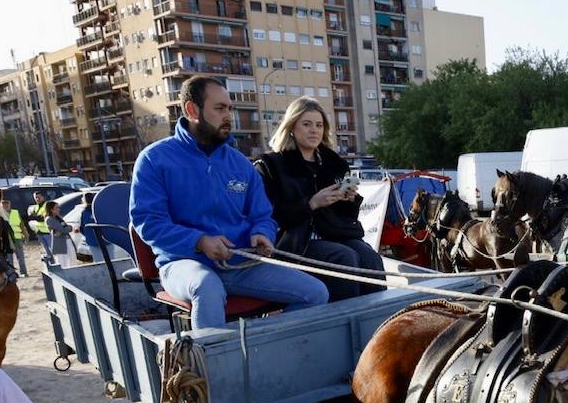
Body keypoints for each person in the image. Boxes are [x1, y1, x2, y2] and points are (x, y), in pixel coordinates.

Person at [129, 76, 327, 329]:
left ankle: (262, 354)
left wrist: (262, 234)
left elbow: (262, 216)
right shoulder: (154, 160)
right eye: (220, 108)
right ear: (192, 110)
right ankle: (212, 367)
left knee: (315, 293)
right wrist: (199, 241)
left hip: (239, 263)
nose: (228, 116)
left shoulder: (240, 164)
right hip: (181, 264)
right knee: (206, 286)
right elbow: (148, 222)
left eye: (230, 108)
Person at [254, 97, 385, 302]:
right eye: (306, 124)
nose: (314, 130)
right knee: (344, 257)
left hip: (334, 233)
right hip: (295, 241)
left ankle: (377, 318)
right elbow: (271, 214)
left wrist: (348, 199)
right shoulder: (271, 165)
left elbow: (345, 217)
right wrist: (311, 203)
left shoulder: (334, 163)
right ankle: (346, 323)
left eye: (319, 125)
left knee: (369, 255)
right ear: (291, 127)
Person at [43, 200, 74, 269]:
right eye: (57, 208)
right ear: (51, 210)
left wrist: (68, 228)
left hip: (67, 240)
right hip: (59, 243)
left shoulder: (58, 218)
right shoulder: (49, 219)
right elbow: (63, 229)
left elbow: (66, 228)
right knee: (63, 263)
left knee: (72, 261)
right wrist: (68, 228)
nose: (59, 209)